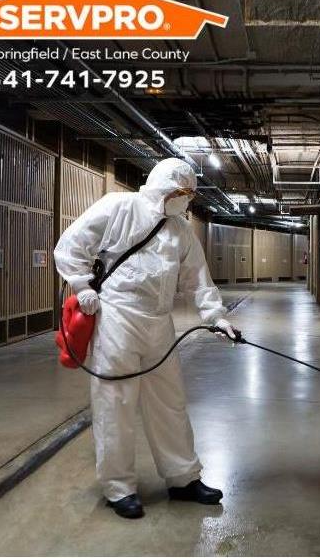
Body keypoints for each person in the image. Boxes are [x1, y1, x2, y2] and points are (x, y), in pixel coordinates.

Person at [53, 158, 236, 519]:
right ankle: (118, 487)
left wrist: (216, 317)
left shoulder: (181, 231)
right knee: (116, 403)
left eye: (190, 195)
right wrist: (81, 284)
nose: (187, 201)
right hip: (116, 318)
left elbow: (198, 279)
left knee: (170, 401)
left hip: (159, 323)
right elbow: (70, 245)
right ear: (165, 188)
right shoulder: (119, 208)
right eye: (183, 194)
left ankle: (183, 478)